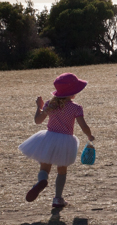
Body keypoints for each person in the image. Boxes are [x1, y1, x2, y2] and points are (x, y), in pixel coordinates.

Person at [19, 73, 95, 208]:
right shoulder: (76, 107)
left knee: (44, 167)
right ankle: (58, 198)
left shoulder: (50, 104)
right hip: (65, 140)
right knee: (62, 170)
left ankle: (41, 181)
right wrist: (89, 136)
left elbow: (38, 121)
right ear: (73, 92)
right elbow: (83, 126)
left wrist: (39, 107)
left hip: (48, 138)